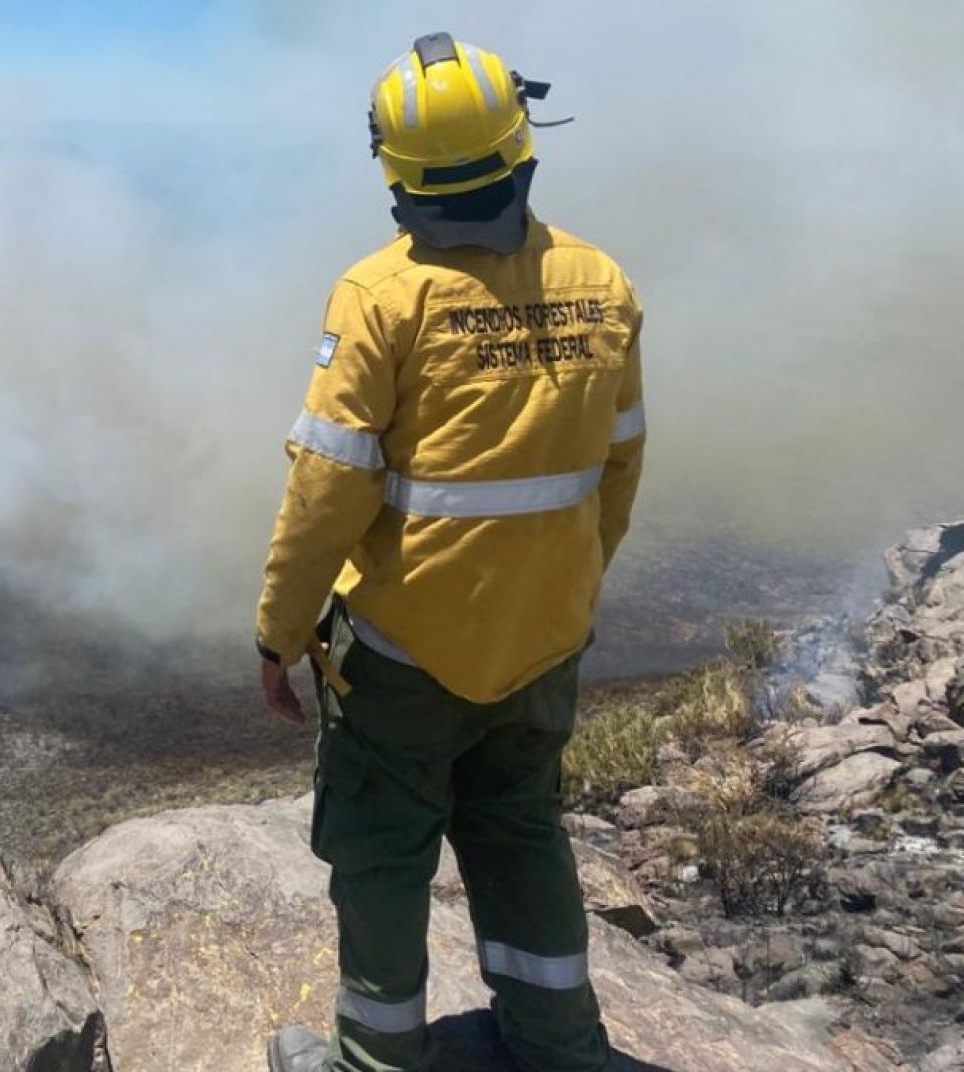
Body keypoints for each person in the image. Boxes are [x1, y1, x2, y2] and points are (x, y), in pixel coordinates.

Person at [256, 32, 646, 1072]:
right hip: (544, 645)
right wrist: (558, 598)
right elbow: (616, 472)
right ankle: (559, 1046)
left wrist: (279, 633)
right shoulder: (601, 283)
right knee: (520, 832)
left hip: (404, 656)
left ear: (397, 174)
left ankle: (373, 1059)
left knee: (381, 855)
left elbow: (325, 491)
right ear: (522, 146)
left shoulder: (380, 297)